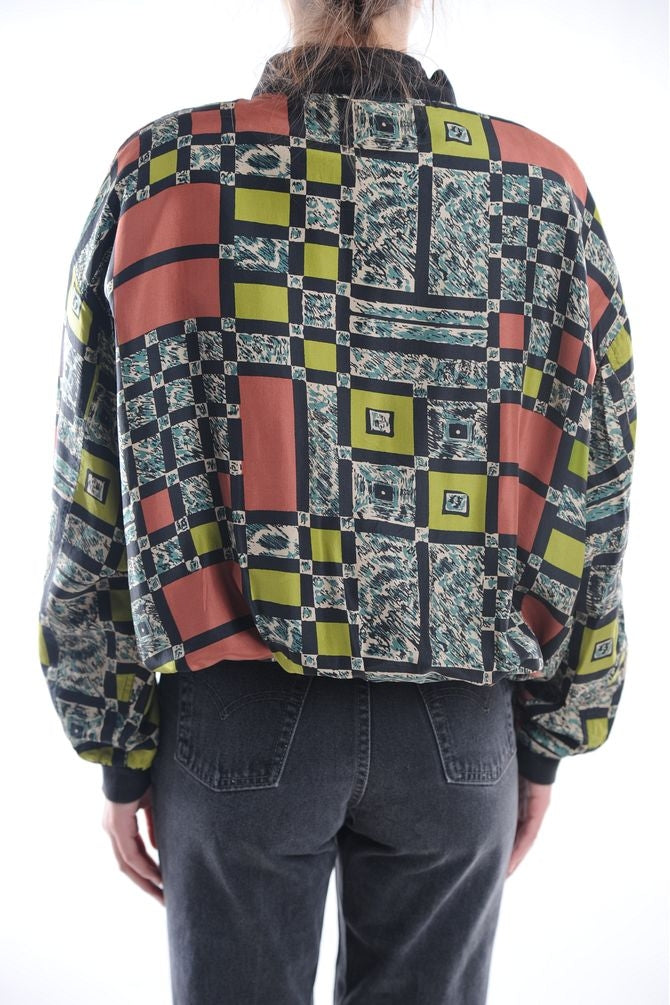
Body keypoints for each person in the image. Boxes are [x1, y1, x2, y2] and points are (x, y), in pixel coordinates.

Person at [37, 0, 636, 1002]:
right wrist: (547, 738)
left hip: (237, 715)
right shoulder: (545, 187)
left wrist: (116, 743)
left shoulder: (168, 172)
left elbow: (92, 476)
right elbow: (599, 477)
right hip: (459, 728)